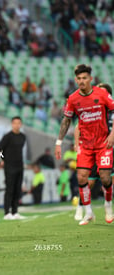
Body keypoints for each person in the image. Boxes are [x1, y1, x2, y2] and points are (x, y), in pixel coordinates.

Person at [55, 64, 114, 225]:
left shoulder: (102, 94)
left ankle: (108, 204)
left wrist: (112, 134)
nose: (82, 81)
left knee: (105, 178)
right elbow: (67, 120)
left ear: (90, 79)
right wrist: (59, 142)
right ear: (76, 80)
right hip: (86, 145)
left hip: (103, 143)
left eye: (84, 78)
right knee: (82, 177)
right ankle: (88, 212)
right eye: (79, 78)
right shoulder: (73, 99)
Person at [0, 116, 27, 220]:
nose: (17, 125)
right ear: (12, 124)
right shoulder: (7, 136)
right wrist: (2, 160)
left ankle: (15, 212)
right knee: (9, 189)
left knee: (17, 189)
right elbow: (0, 148)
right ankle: (7, 212)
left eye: (19, 123)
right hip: (9, 166)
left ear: (21, 124)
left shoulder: (23, 137)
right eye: (15, 123)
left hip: (19, 165)